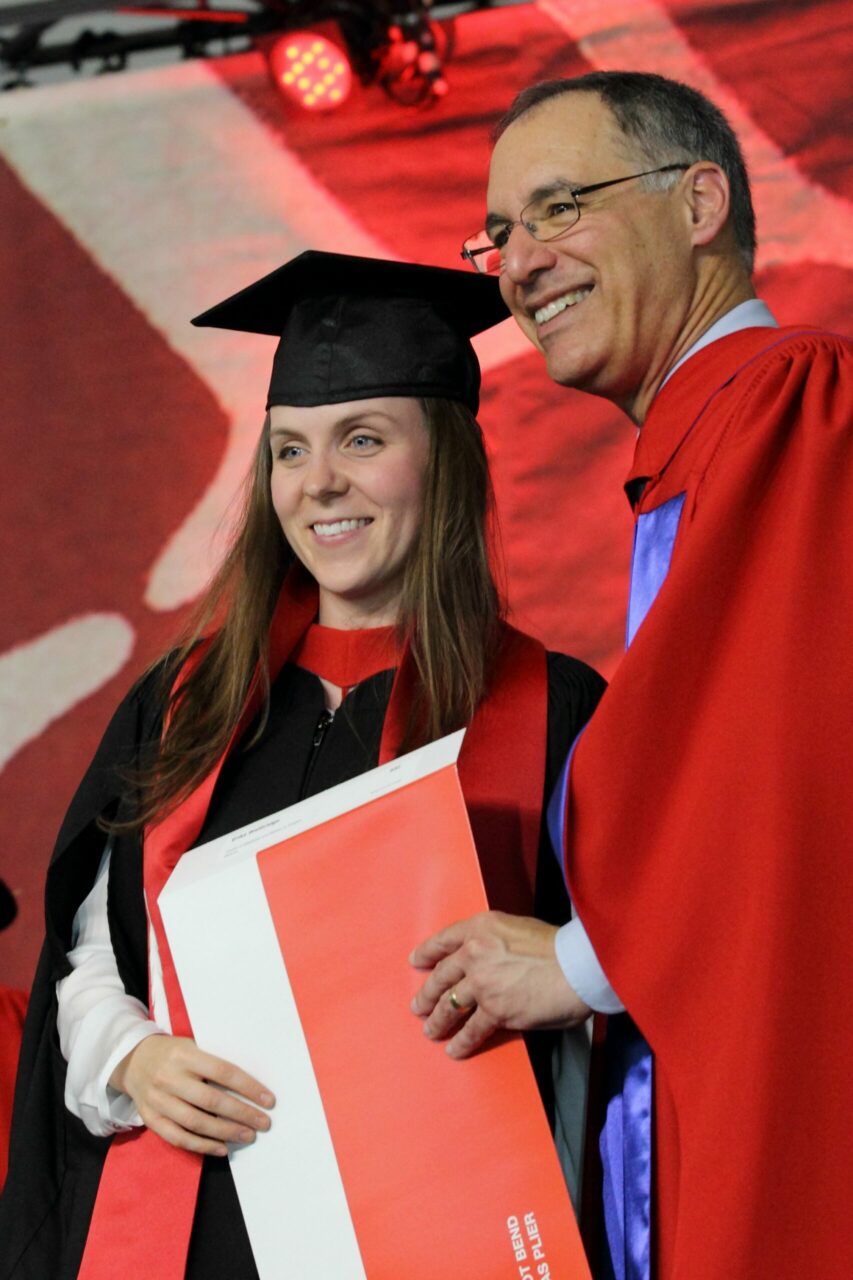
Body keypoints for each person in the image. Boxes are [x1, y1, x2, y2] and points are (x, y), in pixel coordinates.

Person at [0, 251, 605, 1279]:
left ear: (444, 461)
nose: (318, 481)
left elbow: (632, 967)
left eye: (361, 439)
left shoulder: (552, 710)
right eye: (289, 449)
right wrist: (130, 1058)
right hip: (192, 1218)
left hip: (438, 1226)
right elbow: (96, 954)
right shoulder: (188, 700)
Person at [409, 72, 853, 1280]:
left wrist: (570, 963)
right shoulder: (701, 444)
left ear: (700, 200)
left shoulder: (788, 405)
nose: (518, 262)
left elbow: (777, 767)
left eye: (558, 208)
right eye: (500, 233)